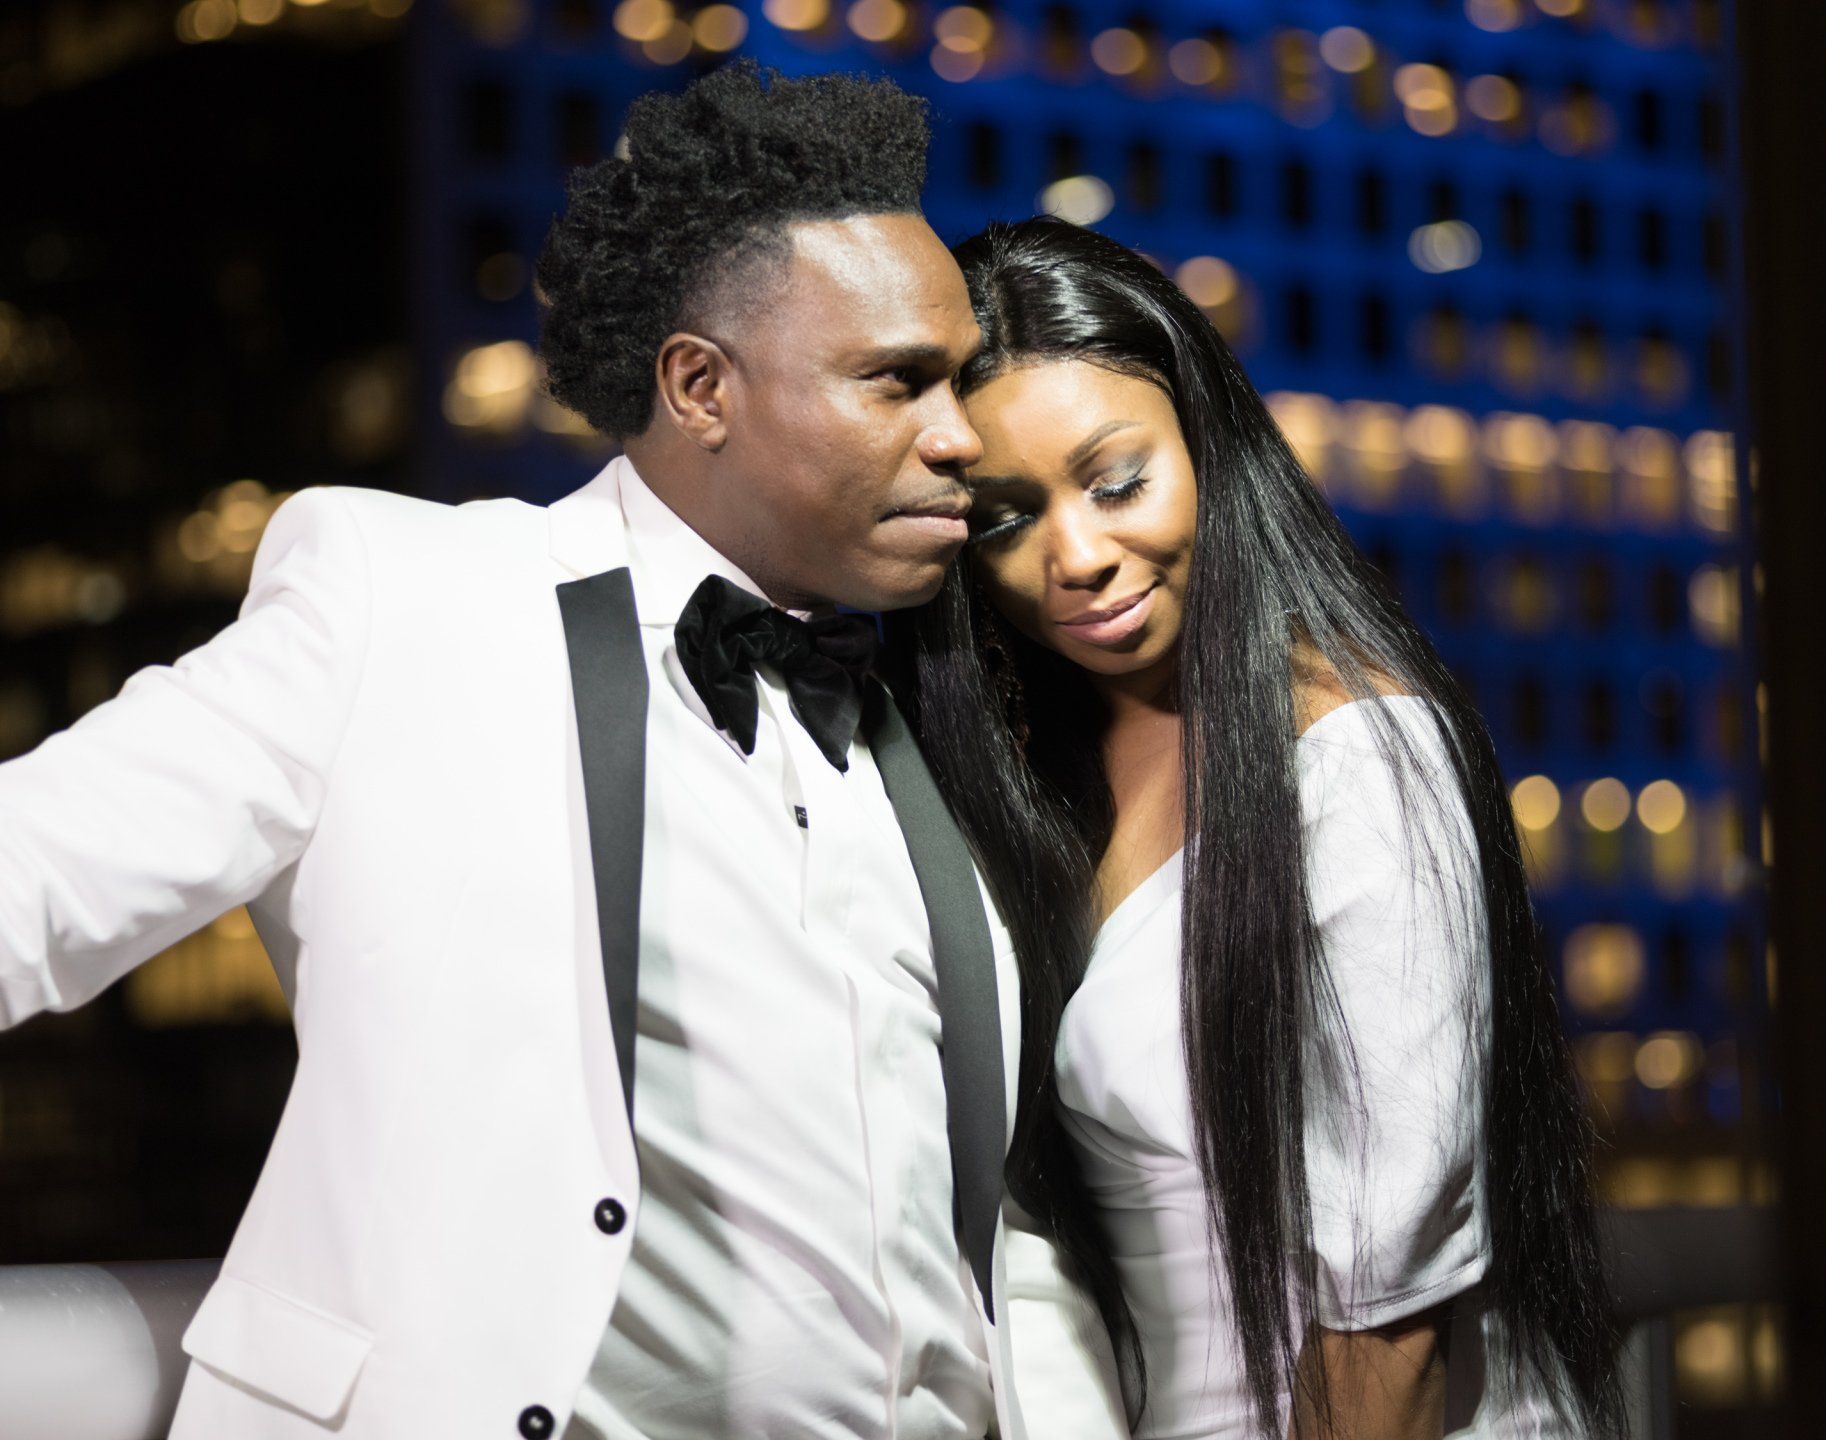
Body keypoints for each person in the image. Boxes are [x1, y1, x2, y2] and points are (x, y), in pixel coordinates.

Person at [0, 68, 1130, 1440]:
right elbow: (33, 876)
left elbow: (993, 1226)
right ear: (700, 386)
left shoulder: (932, 710)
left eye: (959, 382)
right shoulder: (406, 601)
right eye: (898, 381)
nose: (961, 437)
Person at [896, 216, 1625, 1440]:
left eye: (1117, 479)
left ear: (1209, 449)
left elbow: (1384, 1329)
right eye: (1006, 517)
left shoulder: (1357, 762)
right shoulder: (1023, 782)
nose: (1078, 555)